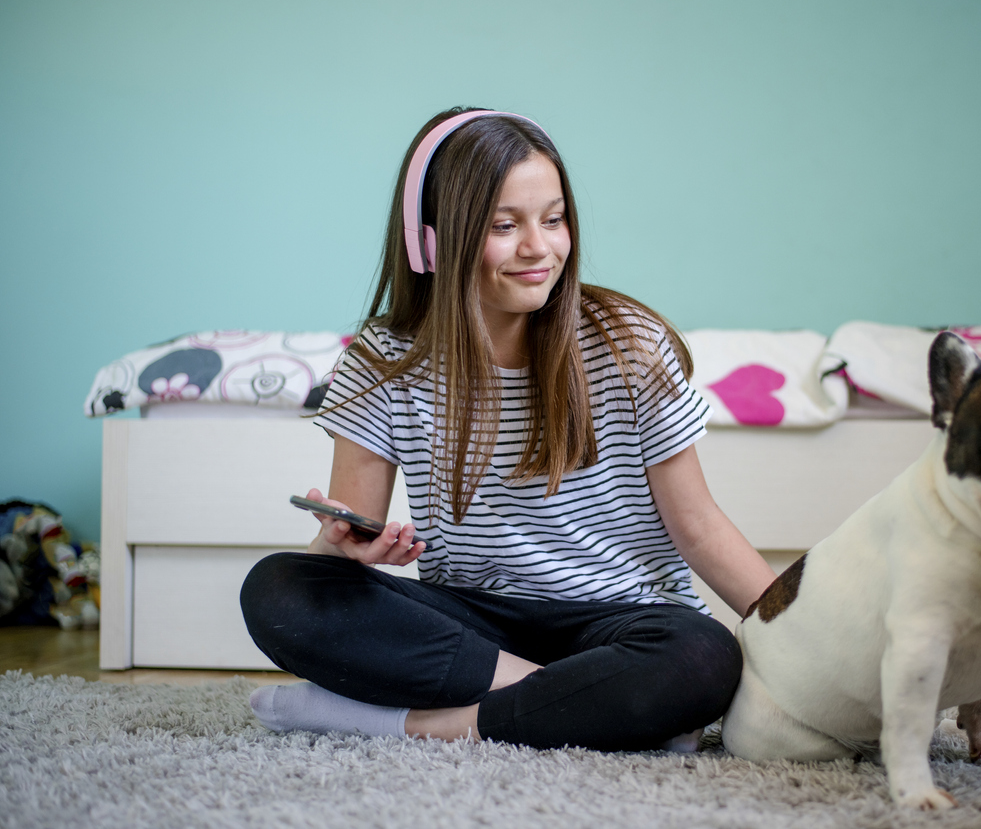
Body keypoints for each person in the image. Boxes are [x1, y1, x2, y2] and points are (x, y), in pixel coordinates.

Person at [240, 107, 777, 752]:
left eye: (553, 220)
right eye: (504, 226)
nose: (539, 248)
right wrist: (342, 546)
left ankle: (418, 724)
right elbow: (346, 547)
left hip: (624, 623)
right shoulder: (383, 361)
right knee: (280, 590)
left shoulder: (629, 343)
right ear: (429, 244)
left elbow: (699, 525)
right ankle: (578, 702)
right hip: (477, 626)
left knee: (703, 658)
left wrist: (808, 633)